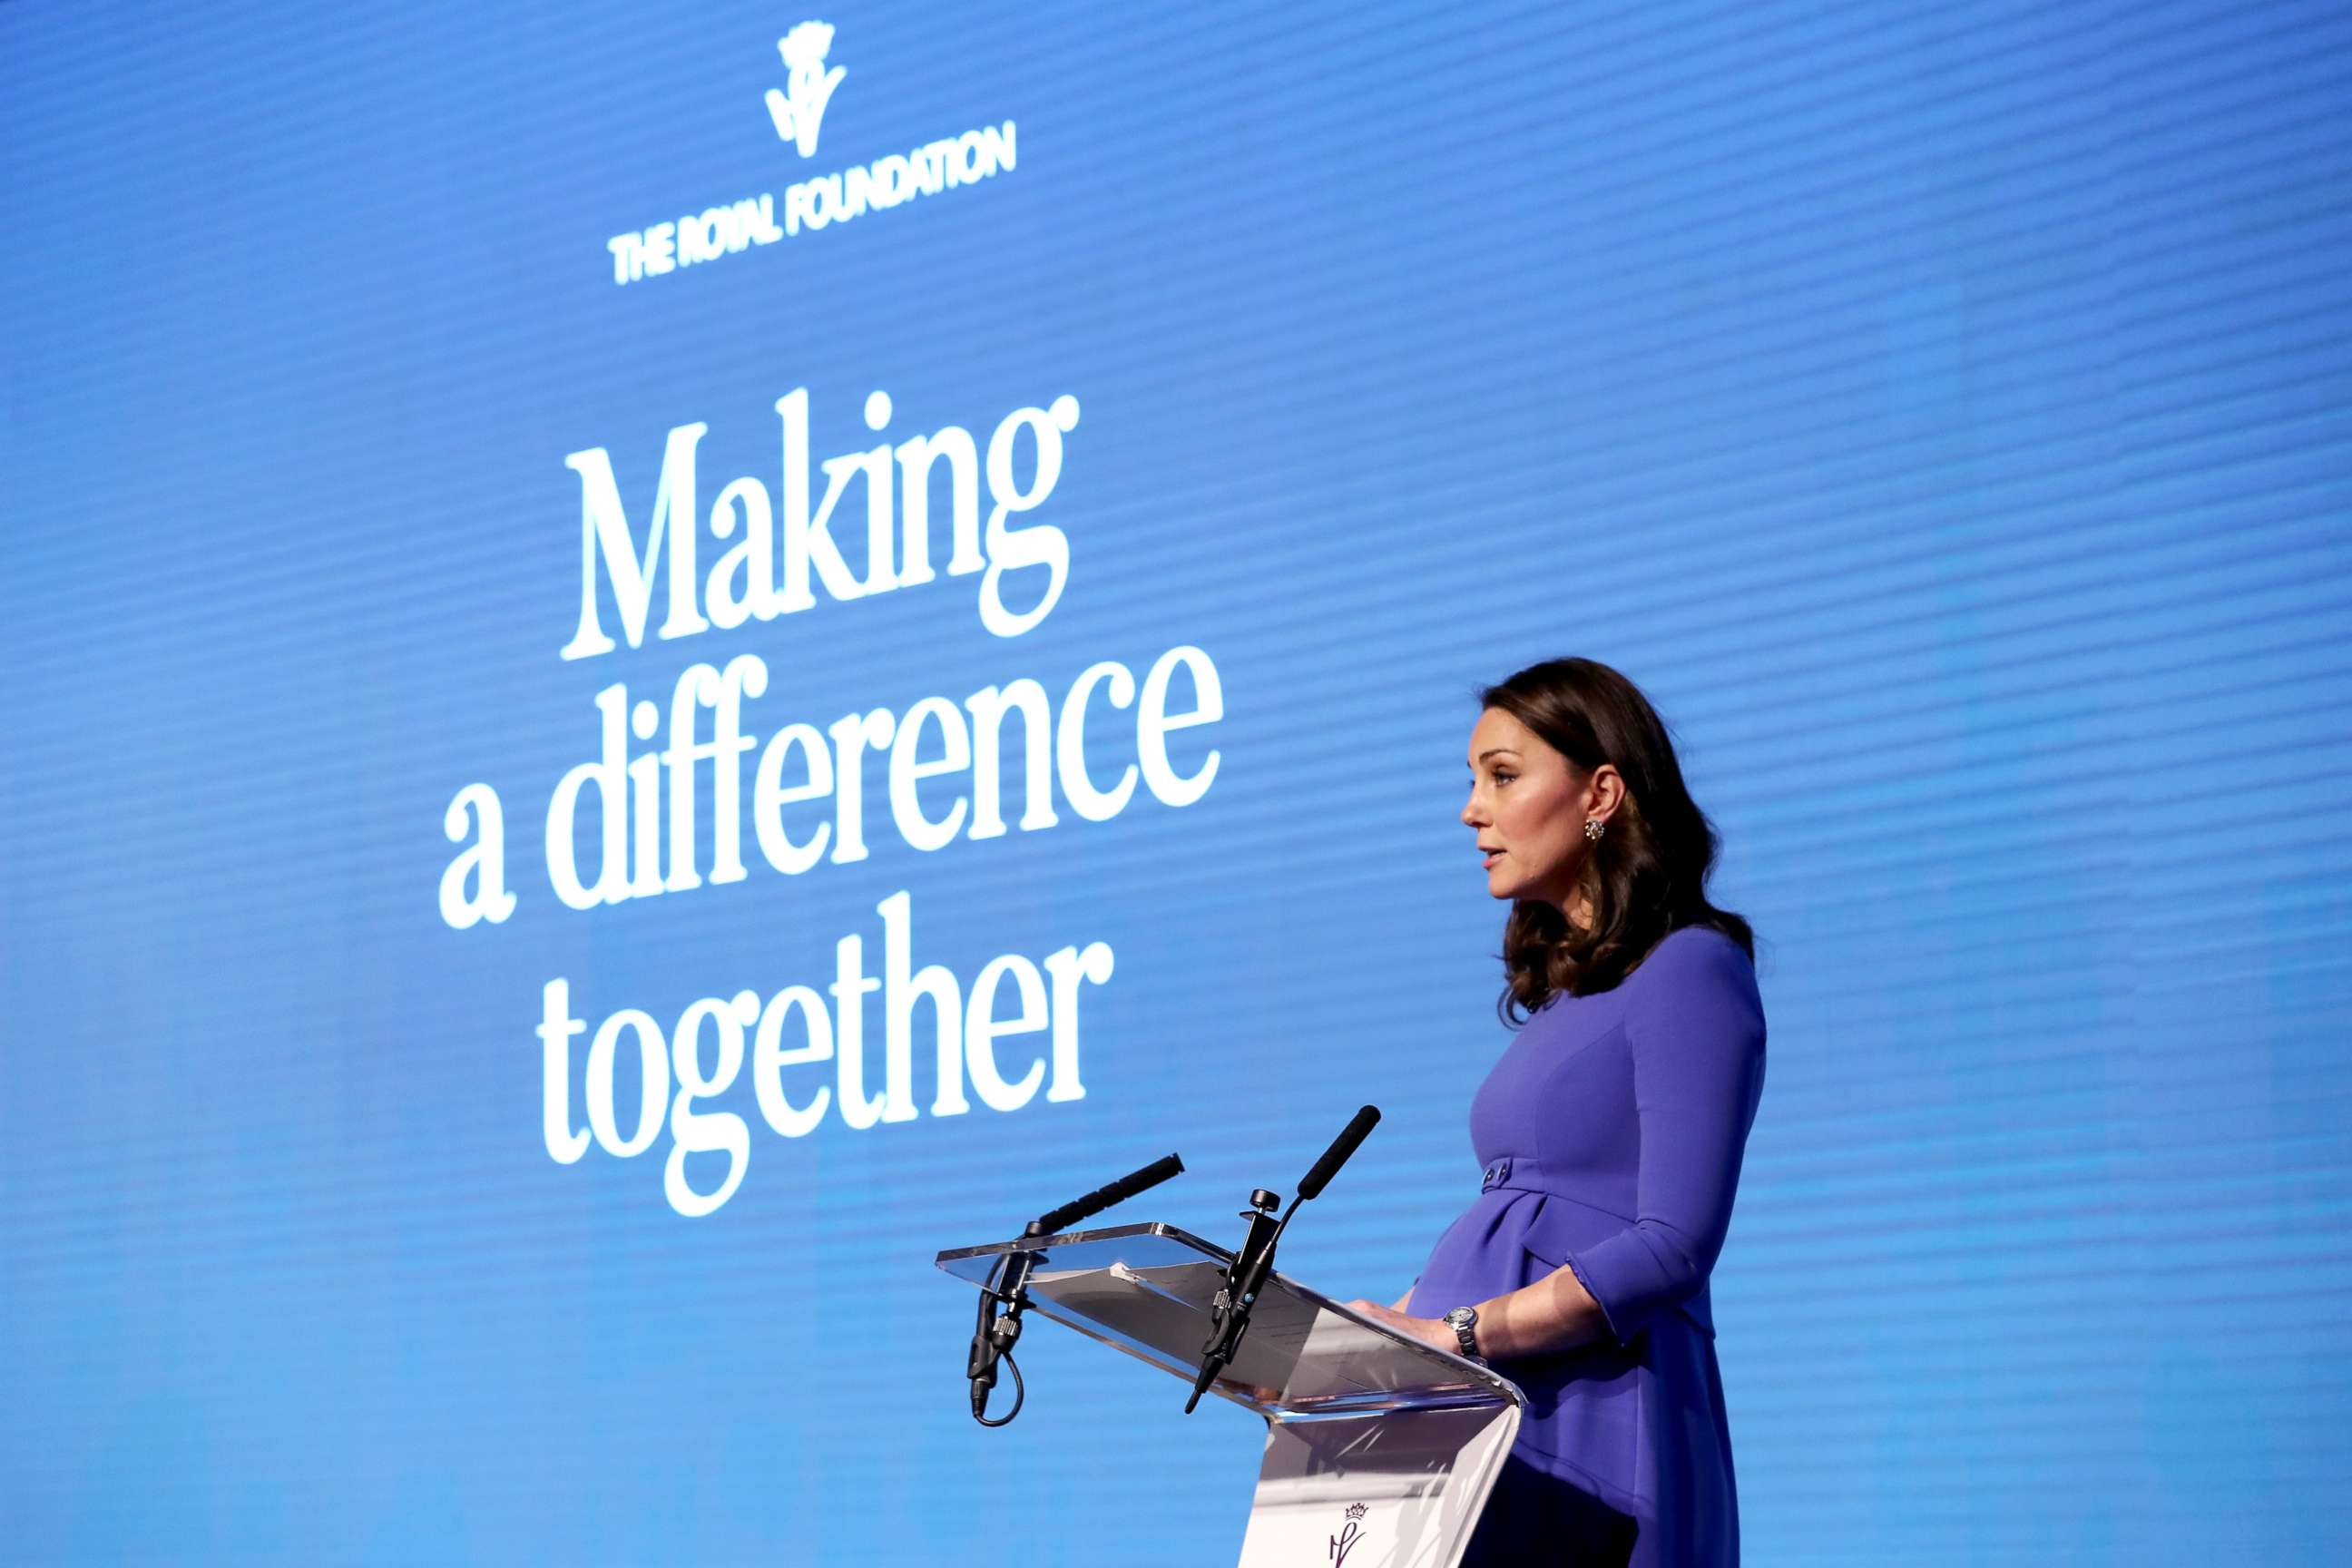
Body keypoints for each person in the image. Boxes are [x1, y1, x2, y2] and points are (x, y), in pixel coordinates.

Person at [1347, 656, 1767, 1567]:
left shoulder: (1691, 967)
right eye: (1472, 780)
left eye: (1502, 776)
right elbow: (1515, 1228)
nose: (1472, 809)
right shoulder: (1565, 1006)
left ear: (1601, 793)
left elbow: (1673, 1244)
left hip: (1594, 1418)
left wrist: (1455, 1333)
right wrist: (1365, 1346)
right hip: (1477, 1419)